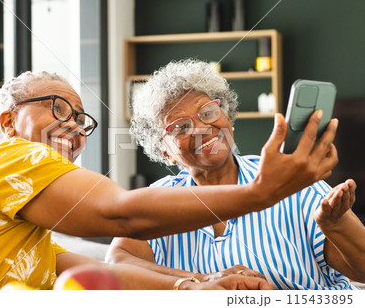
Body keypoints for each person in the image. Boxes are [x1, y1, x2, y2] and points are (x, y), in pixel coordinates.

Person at [0, 70, 338, 290]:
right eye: (60, 109)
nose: (76, 127)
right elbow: (120, 216)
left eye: (82, 120)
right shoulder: (8, 157)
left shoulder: (28, 237)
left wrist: (197, 284)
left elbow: (109, 274)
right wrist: (261, 192)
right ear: (8, 121)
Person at [107, 59, 365, 290]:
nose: (201, 129)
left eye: (207, 112)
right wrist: (200, 281)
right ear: (166, 152)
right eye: (180, 126)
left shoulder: (292, 181)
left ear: (228, 117)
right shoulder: (158, 198)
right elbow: (117, 262)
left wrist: (335, 224)